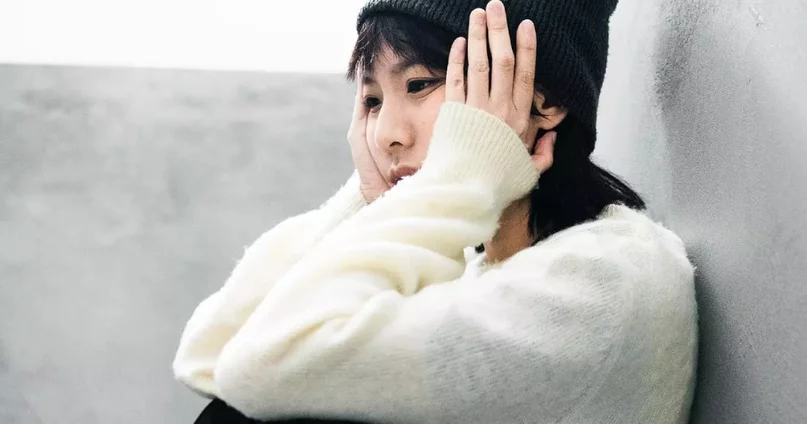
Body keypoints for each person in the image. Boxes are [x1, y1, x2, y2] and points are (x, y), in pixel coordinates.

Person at [173, 0, 698, 423]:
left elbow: (263, 364)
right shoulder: (472, 268)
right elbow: (210, 357)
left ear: (542, 98)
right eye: (373, 101)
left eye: (419, 85)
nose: (385, 134)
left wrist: (460, 175)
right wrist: (371, 201)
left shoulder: (603, 277)